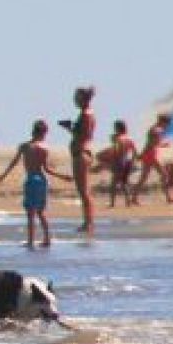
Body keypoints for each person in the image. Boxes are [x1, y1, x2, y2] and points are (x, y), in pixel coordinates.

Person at [0, 120, 72, 249]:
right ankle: (47, 239)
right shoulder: (43, 149)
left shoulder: (25, 146)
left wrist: (4, 175)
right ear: (43, 133)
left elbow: (14, 162)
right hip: (42, 180)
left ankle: (31, 241)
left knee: (30, 212)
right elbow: (47, 169)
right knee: (41, 212)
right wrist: (63, 176)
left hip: (31, 180)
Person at [65, 87, 98, 236]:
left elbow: (82, 135)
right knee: (84, 191)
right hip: (82, 153)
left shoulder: (86, 115)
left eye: (76, 98)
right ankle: (87, 222)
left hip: (81, 154)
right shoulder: (87, 114)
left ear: (83, 99)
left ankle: (88, 223)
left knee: (84, 191)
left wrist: (70, 128)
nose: (74, 100)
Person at [135, 114, 173, 205]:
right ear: (164, 122)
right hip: (151, 155)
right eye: (167, 124)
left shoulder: (155, 129)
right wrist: (164, 145)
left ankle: (134, 197)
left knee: (144, 177)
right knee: (163, 175)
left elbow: (149, 143)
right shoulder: (157, 130)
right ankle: (168, 197)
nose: (167, 126)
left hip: (150, 154)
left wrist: (142, 154)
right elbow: (152, 144)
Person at [104, 120, 137, 208]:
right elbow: (134, 151)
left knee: (114, 183)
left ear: (117, 128)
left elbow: (116, 150)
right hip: (127, 161)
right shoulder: (129, 139)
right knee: (124, 183)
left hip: (119, 161)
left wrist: (110, 159)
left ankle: (112, 203)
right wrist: (133, 161)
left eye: (115, 128)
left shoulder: (117, 138)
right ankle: (128, 202)